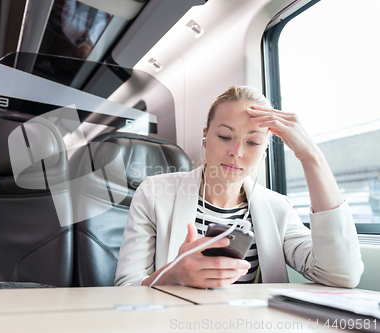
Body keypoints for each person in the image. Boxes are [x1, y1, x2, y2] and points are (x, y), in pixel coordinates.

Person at [114, 85, 363, 288]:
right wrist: (173, 276)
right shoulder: (154, 193)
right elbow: (125, 288)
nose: (236, 152)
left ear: (265, 151)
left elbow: (341, 274)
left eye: (253, 142)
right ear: (205, 135)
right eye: (224, 137)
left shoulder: (278, 208)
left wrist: (310, 156)